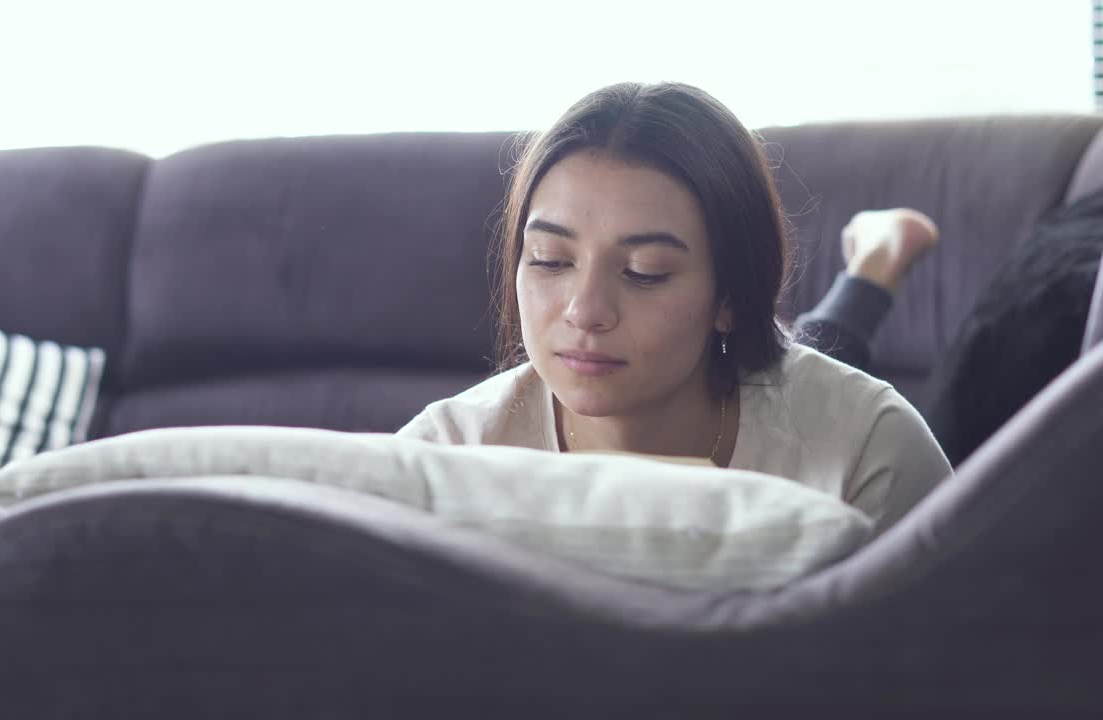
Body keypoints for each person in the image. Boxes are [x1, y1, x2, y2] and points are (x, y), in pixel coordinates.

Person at [396, 81, 952, 535]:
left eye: (645, 272)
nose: (584, 311)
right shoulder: (445, 454)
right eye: (549, 260)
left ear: (729, 296)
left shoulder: (868, 450)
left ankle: (878, 262)